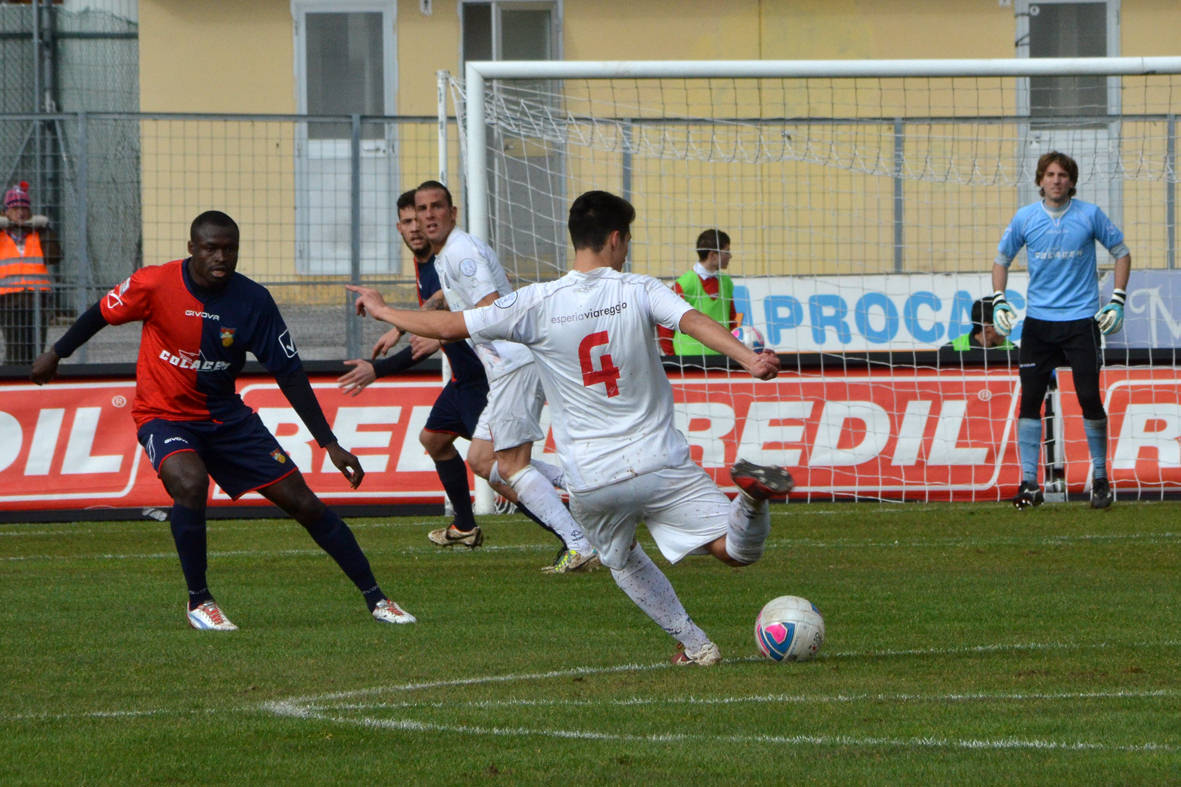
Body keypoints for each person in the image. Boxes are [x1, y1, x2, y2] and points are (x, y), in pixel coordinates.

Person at [348, 190, 793, 666]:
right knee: (733, 551)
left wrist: (385, 311)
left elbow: (454, 324)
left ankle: (696, 644)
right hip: (660, 461)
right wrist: (749, 359)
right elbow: (692, 321)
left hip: (593, 478)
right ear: (617, 240)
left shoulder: (538, 301)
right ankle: (751, 498)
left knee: (621, 561)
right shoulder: (640, 289)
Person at [31, 211, 415, 630]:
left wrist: (329, 443)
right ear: (192, 248)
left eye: (229, 249)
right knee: (191, 483)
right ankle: (200, 601)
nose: (221, 257)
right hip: (164, 415)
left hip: (228, 420)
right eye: (211, 248)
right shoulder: (154, 283)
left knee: (304, 503)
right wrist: (58, 351)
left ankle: (377, 599)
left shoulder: (253, 301)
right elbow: (100, 313)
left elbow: (288, 373)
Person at [375, 180, 598, 573]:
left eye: (435, 208)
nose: (427, 217)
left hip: (514, 364)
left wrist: (438, 330)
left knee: (509, 466)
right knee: (482, 459)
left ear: (452, 212)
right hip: (503, 368)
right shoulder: (445, 255)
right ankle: (592, 486)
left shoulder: (460, 253)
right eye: (420, 209)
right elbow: (453, 303)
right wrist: (421, 326)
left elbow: (492, 310)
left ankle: (580, 542)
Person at [338, 189, 490, 547]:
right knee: (434, 440)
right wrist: (401, 328)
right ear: (400, 227)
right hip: (464, 377)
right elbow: (435, 314)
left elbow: (432, 332)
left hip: (483, 377)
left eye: (423, 216)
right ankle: (465, 527)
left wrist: (380, 367)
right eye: (409, 220)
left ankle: (572, 535)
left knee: (500, 470)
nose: (417, 226)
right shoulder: (425, 264)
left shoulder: (447, 259)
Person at [991, 150, 1130, 510]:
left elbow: (1122, 253)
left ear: (1072, 181)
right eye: (1050, 174)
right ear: (1040, 180)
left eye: (1063, 175)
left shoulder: (1089, 214)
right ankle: (1029, 485)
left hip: (1081, 322)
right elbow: (1001, 260)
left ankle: (1100, 479)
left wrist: (1116, 299)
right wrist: (998, 300)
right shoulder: (1025, 218)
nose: (1056, 180)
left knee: (1088, 397)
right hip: (1038, 325)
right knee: (1030, 402)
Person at [1, 181, 61, 366]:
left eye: (24, 208)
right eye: (15, 208)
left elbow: (54, 256)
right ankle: (13, 385)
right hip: (9, 300)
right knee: (15, 349)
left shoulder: (38, 233)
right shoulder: (2, 234)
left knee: (36, 349)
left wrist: (45, 228)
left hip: (37, 299)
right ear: (6, 211)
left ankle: (33, 384)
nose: (21, 212)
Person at [657, 228, 737, 355]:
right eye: (727, 252)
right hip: (690, 359)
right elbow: (665, 326)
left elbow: (732, 320)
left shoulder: (726, 282)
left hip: (722, 357)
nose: (730, 256)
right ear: (713, 255)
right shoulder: (684, 284)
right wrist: (673, 358)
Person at [942, 297, 1016, 350]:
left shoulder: (1013, 350)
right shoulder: (951, 350)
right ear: (986, 328)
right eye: (1002, 324)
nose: (1008, 329)